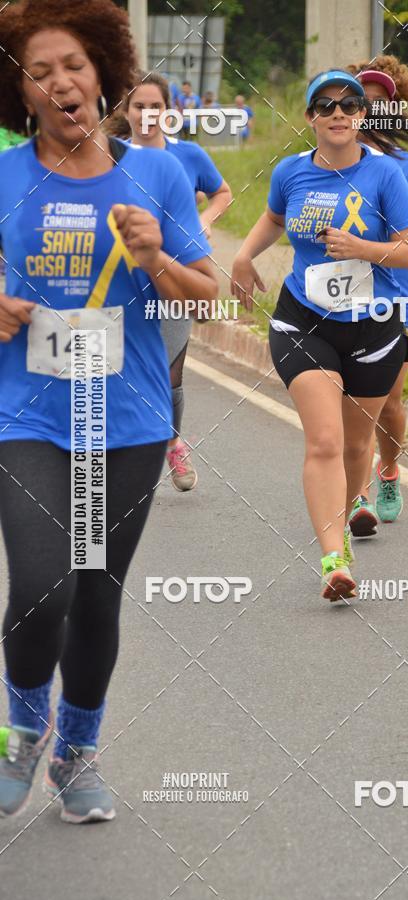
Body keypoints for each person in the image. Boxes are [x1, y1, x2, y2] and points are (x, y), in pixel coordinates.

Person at [0, 0, 217, 822]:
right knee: (42, 584)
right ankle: (24, 727)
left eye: (73, 66)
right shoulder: (6, 177)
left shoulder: (155, 174)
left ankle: (76, 754)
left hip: (125, 421)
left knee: (95, 592)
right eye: (39, 72)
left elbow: (206, 296)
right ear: (22, 95)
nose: (60, 83)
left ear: (103, 75)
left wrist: (156, 255)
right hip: (25, 412)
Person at [231, 69, 408, 602]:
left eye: (349, 104)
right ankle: (334, 560)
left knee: (357, 443)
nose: (337, 112)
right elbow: (271, 219)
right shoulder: (291, 172)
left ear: (363, 116)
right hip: (302, 321)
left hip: (375, 327)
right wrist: (245, 255)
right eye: (325, 104)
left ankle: (360, 498)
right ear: (311, 117)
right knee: (324, 440)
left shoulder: (386, 176)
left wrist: (363, 249)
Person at [347, 57, 408, 536]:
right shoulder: (330, 164)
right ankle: (356, 495)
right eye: (361, 97)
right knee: (354, 400)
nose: (370, 106)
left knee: (387, 401)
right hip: (344, 296)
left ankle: (388, 473)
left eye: (380, 100)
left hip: (399, 298)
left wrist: (390, 226)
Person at [125, 71, 232, 491]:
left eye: (156, 107)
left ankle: (171, 441)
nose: (148, 114)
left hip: (177, 278)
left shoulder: (187, 156)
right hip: (122, 286)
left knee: (170, 373)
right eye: (139, 106)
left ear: (169, 111)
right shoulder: (111, 158)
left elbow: (221, 192)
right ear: (126, 111)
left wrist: (202, 222)